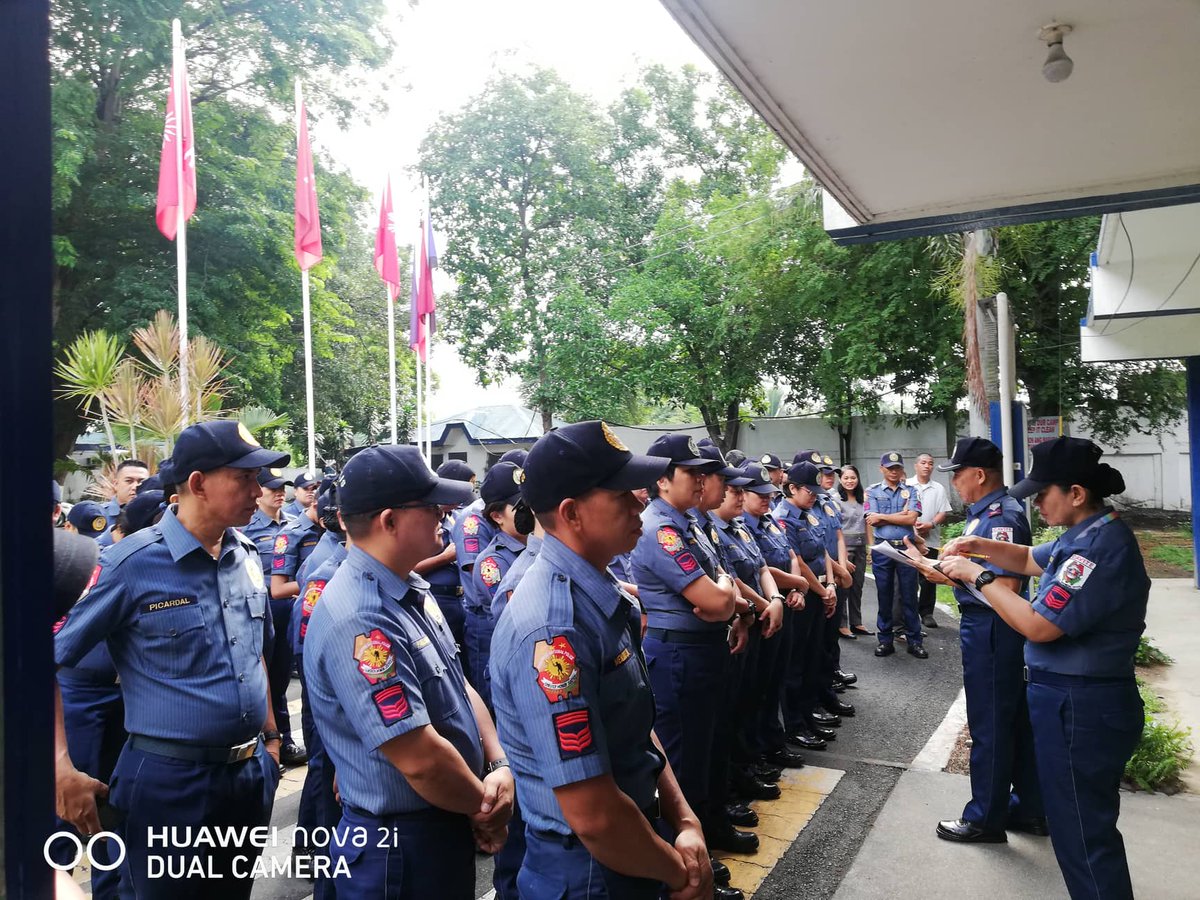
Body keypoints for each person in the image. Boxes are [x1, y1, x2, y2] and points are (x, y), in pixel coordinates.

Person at [54, 420, 289, 898]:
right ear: (199, 483)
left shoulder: (245, 555)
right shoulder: (130, 564)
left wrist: (270, 739)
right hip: (172, 782)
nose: (257, 489)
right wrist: (59, 765)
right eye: (243, 478)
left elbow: (253, 653)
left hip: (246, 775)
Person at [489, 420, 713, 900]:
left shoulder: (600, 590)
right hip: (590, 871)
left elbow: (633, 730)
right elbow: (592, 813)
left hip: (629, 847)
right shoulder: (553, 628)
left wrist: (685, 821)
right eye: (621, 493)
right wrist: (680, 872)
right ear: (572, 513)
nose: (640, 502)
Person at [938, 437, 1147, 900]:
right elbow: (1032, 559)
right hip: (1072, 702)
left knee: (1083, 836)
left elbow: (1038, 626)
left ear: (1075, 493)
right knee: (1078, 828)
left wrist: (977, 575)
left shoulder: (1095, 550)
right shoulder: (1086, 532)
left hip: (1082, 707)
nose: (1036, 504)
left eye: (1042, 494)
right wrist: (978, 545)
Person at [303, 444, 513, 898]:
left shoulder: (407, 587)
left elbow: (458, 685)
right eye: (431, 506)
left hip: (437, 823)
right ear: (389, 520)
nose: (444, 514)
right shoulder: (361, 615)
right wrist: (486, 806)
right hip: (397, 846)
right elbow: (421, 760)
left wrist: (497, 762)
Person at [913, 437, 1044, 845]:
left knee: (991, 722)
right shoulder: (983, 514)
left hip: (993, 630)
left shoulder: (1001, 516)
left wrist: (948, 577)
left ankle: (986, 818)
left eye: (959, 475)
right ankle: (1029, 809)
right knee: (1013, 721)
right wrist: (943, 568)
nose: (955, 483)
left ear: (980, 474)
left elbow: (1003, 585)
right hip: (991, 628)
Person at [632, 433, 746, 899]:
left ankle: (709, 836)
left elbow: (725, 591)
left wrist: (727, 603)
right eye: (691, 473)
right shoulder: (658, 528)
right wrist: (724, 599)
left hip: (705, 646)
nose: (702, 481)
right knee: (680, 763)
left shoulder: (689, 522)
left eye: (704, 473)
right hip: (678, 653)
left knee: (711, 748)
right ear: (662, 480)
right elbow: (711, 597)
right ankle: (681, 868)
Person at [774, 462, 839, 751]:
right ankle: (795, 724)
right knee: (796, 663)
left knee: (813, 657)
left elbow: (823, 549)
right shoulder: (784, 518)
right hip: (803, 596)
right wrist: (821, 590)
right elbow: (797, 561)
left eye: (815, 490)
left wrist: (831, 585)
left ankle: (808, 715)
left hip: (818, 591)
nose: (813, 495)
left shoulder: (808, 514)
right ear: (791, 489)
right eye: (807, 490)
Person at [466, 461, 528, 708]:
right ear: (497, 516)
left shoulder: (536, 547)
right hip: (512, 664)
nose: (530, 511)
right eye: (521, 507)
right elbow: (520, 618)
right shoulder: (492, 562)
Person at [865, 451, 926, 658]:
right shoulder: (872, 491)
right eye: (889, 468)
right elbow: (872, 520)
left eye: (897, 468)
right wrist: (901, 514)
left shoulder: (911, 490)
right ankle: (885, 640)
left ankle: (914, 640)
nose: (894, 472)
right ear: (881, 469)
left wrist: (883, 516)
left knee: (909, 595)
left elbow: (911, 520)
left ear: (902, 469)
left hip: (906, 547)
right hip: (883, 548)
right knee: (885, 595)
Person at [413, 460, 477, 649]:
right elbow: (406, 569)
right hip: (435, 597)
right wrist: (445, 558)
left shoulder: (459, 518)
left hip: (461, 600)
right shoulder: (422, 523)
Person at [910, 452, 954, 629]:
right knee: (909, 577)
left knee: (929, 578)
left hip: (931, 540)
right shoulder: (907, 486)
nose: (927, 466)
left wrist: (931, 524)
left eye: (930, 463)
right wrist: (913, 527)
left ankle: (927, 612)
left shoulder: (938, 488)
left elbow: (943, 511)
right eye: (923, 463)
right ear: (916, 466)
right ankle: (910, 611)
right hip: (910, 540)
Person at [836, 465, 871, 637]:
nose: (850, 481)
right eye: (846, 478)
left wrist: (870, 546)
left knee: (858, 585)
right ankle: (842, 624)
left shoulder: (863, 499)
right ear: (840, 480)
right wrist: (842, 557)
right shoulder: (836, 500)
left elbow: (868, 523)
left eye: (853, 478)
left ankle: (856, 622)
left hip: (860, 546)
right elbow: (836, 529)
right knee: (844, 584)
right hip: (845, 547)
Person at [243, 468, 292, 579]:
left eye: (282, 488)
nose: (280, 493)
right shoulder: (246, 528)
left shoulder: (295, 523)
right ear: (258, 491)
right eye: (273, 489)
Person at [100, 458, 150, 527]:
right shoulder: (100, 514)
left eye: (141, 482)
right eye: (129, 481)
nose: (135, 487)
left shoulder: (155, 514)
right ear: (115, 484)